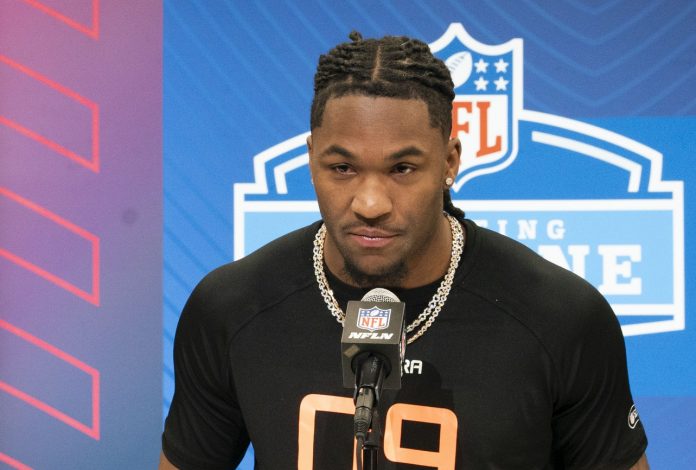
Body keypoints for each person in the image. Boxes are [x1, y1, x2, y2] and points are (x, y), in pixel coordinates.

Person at [159, 32, 649, 469]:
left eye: (402, 169)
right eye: (343, 168)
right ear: (311, 160)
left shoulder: (560, 318)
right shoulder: (231, 308)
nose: (370, 203)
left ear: (449, 162)